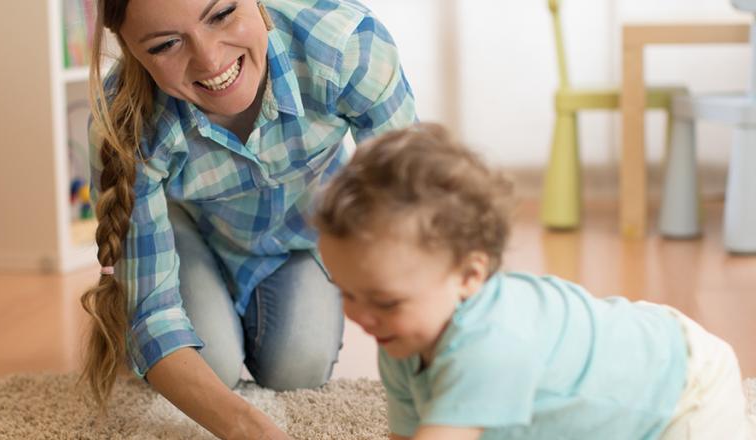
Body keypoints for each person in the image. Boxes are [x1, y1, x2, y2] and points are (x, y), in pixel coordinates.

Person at [79, 0, 416, 438]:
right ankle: (196, 291)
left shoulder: (348, 46)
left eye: (221, 14)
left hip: (299, 238)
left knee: (300, 366)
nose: (210, 59)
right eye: (166, 44)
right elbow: (154, 318)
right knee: (210, 366)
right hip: (191, 236)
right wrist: (248, 428)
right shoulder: (122, 124)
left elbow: (410, 219)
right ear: (130, 50)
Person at [314, 123, 756, 440]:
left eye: (385, 301)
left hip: (682, 391)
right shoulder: (403, 338)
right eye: (345, 292)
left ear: (470, 276)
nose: (360, 316)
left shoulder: (490, 343)